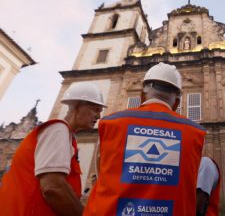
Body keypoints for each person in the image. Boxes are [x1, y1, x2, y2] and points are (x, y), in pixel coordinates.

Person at [84, 62, 206, 216]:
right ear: (176, 102)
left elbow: (101, 174)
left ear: (142, 95)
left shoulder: (110, 123)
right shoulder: (195, 133)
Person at [0, 82, 106, 216]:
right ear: (78, 106)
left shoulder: (65, 135)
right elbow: (53, 187)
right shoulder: (58, 131)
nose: (99, 116)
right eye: (95, 109)